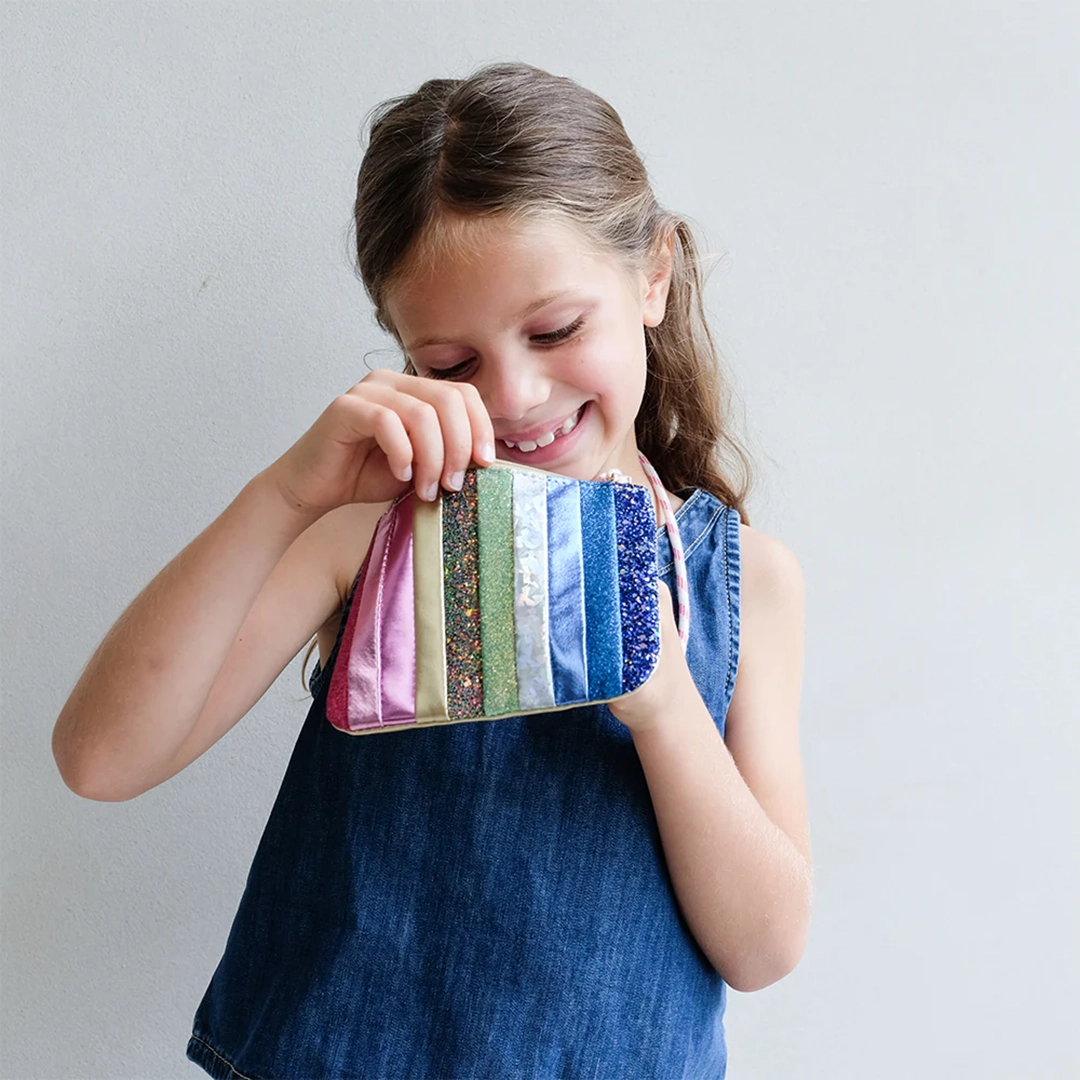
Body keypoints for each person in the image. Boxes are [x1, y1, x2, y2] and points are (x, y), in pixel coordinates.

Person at [52, 61, 811, 1079]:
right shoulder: (371, 532)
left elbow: (764, 948)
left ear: (653, 274)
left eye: (555, 330)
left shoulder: (744, 581)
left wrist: (666, 703)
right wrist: (286, 497)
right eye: (452, 363)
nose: (517, 394)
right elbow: (101, 761)